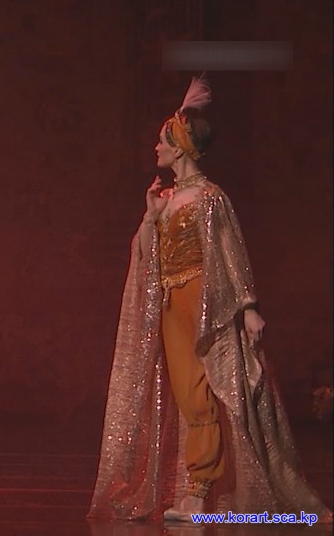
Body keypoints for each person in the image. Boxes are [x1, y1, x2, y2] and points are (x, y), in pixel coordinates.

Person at [88, 77, 331, 524]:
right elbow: (145, 257)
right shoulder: (166, 199)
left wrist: (248, 306)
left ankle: (199, 496)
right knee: (188, 395)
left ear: (179, 148)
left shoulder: (209, 197)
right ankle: (196, 494)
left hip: (203, 298)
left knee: (213, 393)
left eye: (162, 141)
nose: (155, 147)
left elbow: (230, 250)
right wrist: (150, 217)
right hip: (169, 302)